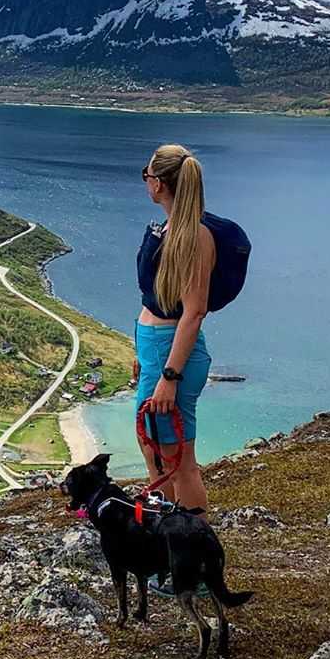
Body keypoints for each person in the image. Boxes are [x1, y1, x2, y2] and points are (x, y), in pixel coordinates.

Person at [131, 143, 215, 516]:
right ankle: (166, 533)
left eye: (146, 175)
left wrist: (169, 376)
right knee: (153, 448)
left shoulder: (193, 237)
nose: (145, 182)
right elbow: (154, 300)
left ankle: (194, 542)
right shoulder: (168, 230)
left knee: (178, 460)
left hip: (172, 355)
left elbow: (194, 312)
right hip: (156, 350)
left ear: (159, 183)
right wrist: (141, 351)